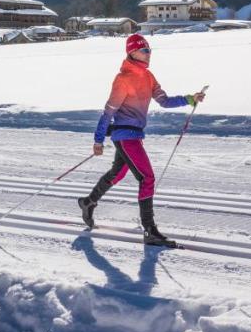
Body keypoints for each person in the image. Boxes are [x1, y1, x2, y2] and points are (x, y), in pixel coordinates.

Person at [77, 33, 206, 247]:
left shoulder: (148, 76)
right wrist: (98, 140)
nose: (149, 54)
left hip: (134, 135)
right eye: (144, 50)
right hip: (124, 136)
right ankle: (150, 231)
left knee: (117, 173)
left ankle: (88, 202)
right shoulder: (123, 79)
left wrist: (190, 98)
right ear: (132, 52)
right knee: (147, 178)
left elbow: (164, 101)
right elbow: (108, 111)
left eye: (149, 50)